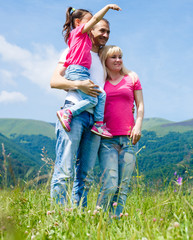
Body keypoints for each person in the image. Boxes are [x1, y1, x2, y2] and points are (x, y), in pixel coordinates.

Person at [50, 18, 111, 207]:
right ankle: (58, 217)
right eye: (101, 30)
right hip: (74, 114)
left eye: (108, 32)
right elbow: (54, 81)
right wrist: (79, 84)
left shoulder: (103, 59)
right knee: (65, 170)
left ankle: (79, 216)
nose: (105, 35)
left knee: (86, 175)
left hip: (95, 121)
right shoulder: (73, 50)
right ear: (90, 29)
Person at [56, 4, 121, 138]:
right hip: (78, 72)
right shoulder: (78, 32)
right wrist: (107, 7)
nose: (92, 23)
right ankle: (69, 112)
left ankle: (98, 124)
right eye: (90, 21)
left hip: (80, 73)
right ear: (78, 23)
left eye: (108, 32)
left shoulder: (84, 44)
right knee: (93, 100)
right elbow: (55, 81)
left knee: (101, 95)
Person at [96, 45, 144, 217]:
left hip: (128, 139)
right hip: (107, 140)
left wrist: (138, 124)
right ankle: (98, 220)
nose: (118, 60)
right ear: (105, 61)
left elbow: (140, 105)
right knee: (110, 184)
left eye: (120, 56)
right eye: (113, 57)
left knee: (122, 187)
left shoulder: (132, 77)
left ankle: (114, 223)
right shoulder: (101, 82)